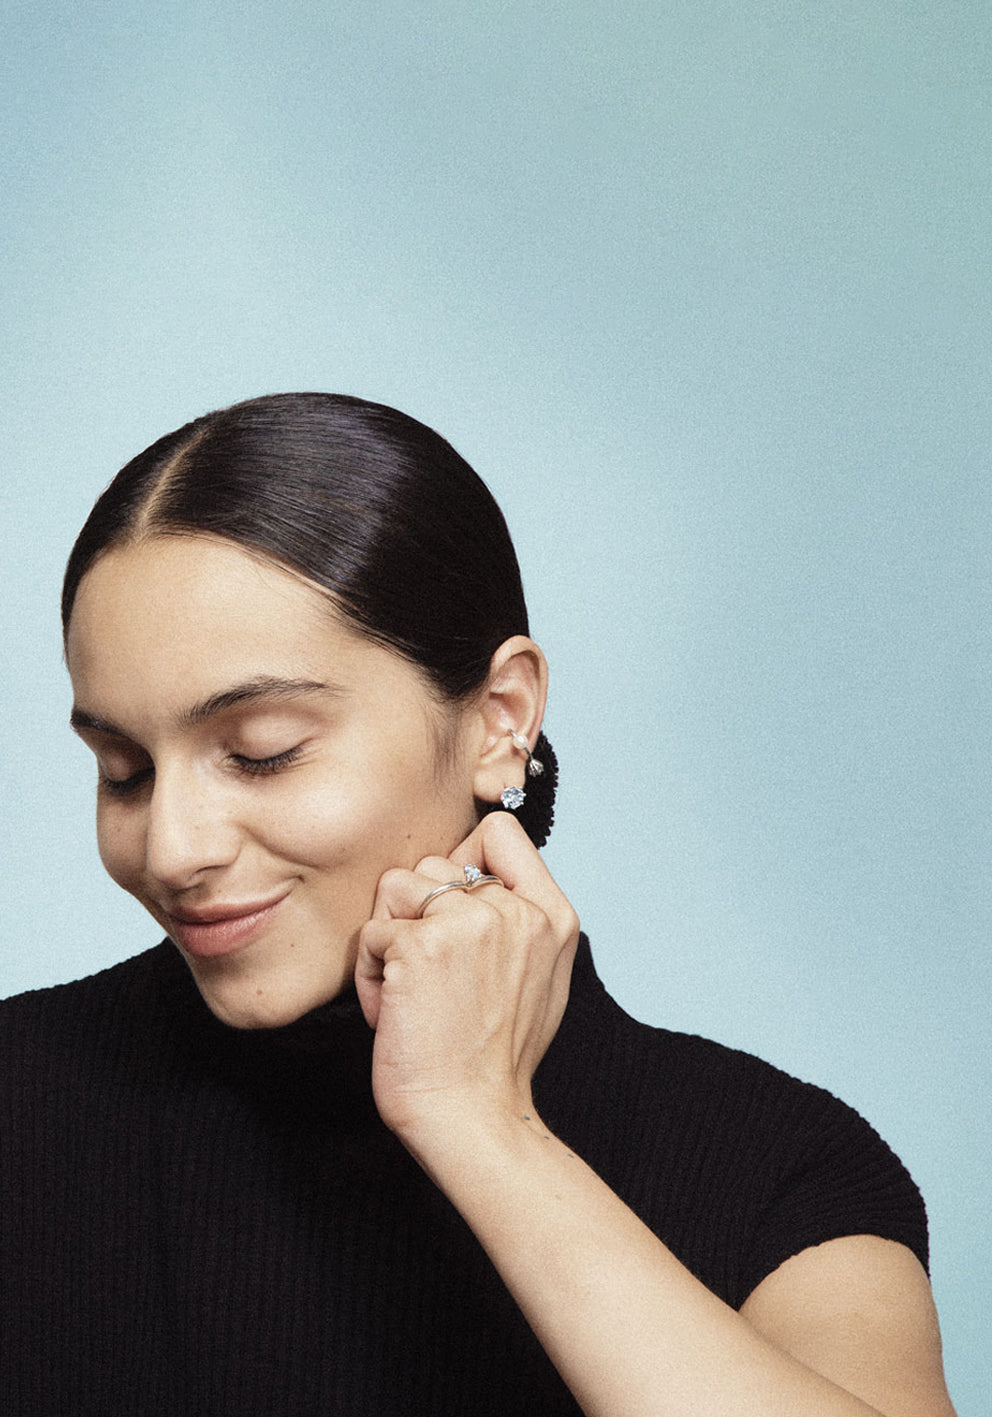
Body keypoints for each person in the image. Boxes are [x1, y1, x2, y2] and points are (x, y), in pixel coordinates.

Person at [0, 393, 955, 1416]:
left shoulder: (774, 1167)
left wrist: (479, 1126)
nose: (171, 848)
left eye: (261, 751)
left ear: (500, 719)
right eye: (123, 769)